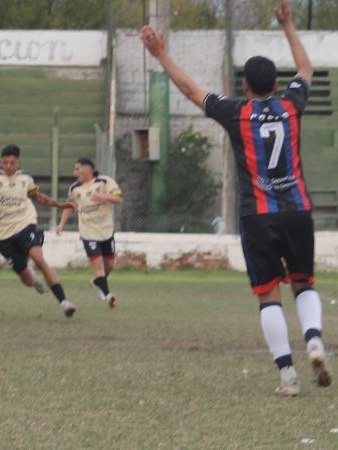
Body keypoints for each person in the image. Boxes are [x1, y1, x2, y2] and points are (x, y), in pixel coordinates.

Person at [141, 0, 330, 395]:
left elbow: (191, 90)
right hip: (298, 210)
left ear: (245, 86)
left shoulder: (235, 111)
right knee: (304, 284)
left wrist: (161, 54)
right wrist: (288, 25)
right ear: (276, 85)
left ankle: (288, 377)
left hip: (257, 215)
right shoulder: (292, 105)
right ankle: (314, 339)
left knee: (267, 294)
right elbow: (307, 69)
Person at [0, 145, 77, 318]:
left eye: (12, 162)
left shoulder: (25, 178)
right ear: (1, 162)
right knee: (26, 279)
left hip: (25, 225)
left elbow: (38, 197)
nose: (9, 166)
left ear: (19, 162)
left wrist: (60, 204)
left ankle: (64, 302)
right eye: (5, 163)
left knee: (39, 259)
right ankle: (33, 277)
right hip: (2, 236)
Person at [56, 158, 122, 309]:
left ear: (87, 169)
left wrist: (103, 197)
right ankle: (108, 296)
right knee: (98, 264)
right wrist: (61, 224)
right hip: (88, 233)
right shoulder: (75, 188)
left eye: (77, 169)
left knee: (109, 265)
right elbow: (69, 205)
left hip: (106, 231)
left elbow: (118, 199)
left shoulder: (104, 182)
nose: (75, 173)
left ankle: (98, 281)